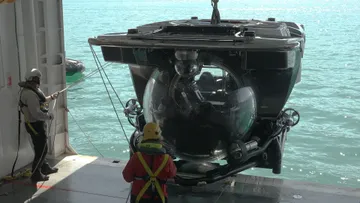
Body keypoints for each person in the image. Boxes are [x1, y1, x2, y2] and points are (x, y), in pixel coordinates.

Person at [18, 68, 59, 182]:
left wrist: (52, 97)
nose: (39, 80)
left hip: (38, 124)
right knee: (42, 149)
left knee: (41, 147)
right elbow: (36, 114)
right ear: (35, 79)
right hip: (34, 125)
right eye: (38, 78)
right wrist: (49, 116)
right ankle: (36, 174)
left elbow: (41, 101)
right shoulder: (29, 94)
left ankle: (44, 167)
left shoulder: (33, 91)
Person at [122, 122, 177, 203]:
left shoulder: (137, 157)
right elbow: (172, 175)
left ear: (143, 137)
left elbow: (127, 177)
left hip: (139, 197)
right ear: (159, 137)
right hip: (159, 197)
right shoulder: (167, 159)